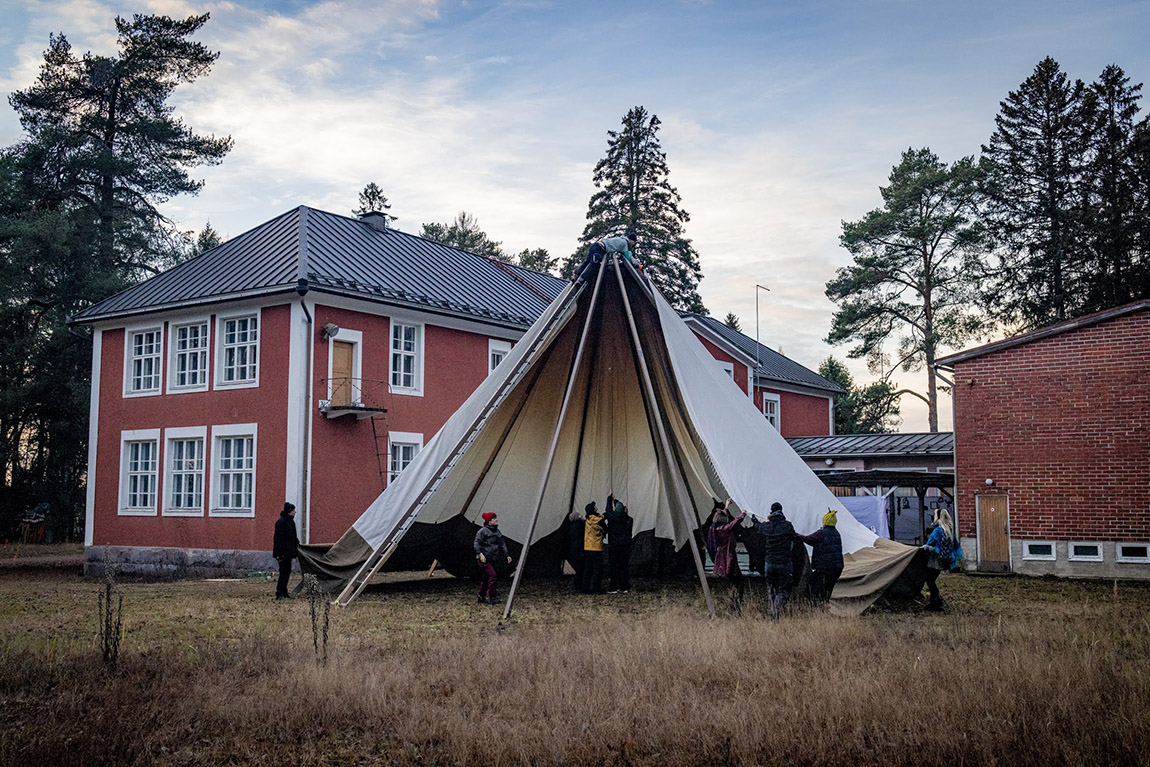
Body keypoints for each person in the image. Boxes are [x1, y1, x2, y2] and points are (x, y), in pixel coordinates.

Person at [797, 510, 844, 607]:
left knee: (812, 588)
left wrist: (796, 535)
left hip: (824, 568)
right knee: (827, 590)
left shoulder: (821, 533)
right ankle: (825, 606)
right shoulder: (837, 533)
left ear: (825, 521)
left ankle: (816, 609)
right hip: (837, 568)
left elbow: (808, 539)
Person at [709, 498, 746, 612]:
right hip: (727, 557)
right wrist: (743, 514)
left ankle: (734, 606)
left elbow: (723, 515)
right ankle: (735, 607)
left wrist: (726, 505)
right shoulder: (724, 529)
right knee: (738, 583)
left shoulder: (715, 528)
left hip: (722, 556)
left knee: (734, 583)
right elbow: (734, 522)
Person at [762, 502, 797, 616]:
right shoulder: (787, 525)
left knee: (772, 589)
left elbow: (758, 527)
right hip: (784, 562)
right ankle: (775, 612)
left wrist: (753, 518)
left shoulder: (767, 526)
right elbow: (794, 537)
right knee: (784, 589)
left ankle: (773, 612)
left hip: (769, 562)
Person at [922, 508, 958, 611]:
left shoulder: (937, 530)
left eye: (935, 515)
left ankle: (935, 601)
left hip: (935, 560)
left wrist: (926, 548)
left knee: (930, 580)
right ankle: (936, 600)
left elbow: (930, 544)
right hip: (943, 560)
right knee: (932, 580)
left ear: (937, 517)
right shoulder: (948, 530)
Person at [473, 512, 512, 605]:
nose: (496, 520)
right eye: (494, 518)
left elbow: (502, 544)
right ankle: (492, 596)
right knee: (493, 575)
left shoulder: (497, 532)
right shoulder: (482, 531)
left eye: (495, 518)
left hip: (492, 558)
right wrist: (480, 554)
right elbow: (476, 543)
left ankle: (481, 596)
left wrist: (507, 555)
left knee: (487, 577)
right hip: (483, 559)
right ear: (489, 521)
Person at [573, 231, 638, 283]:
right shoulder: (625, 243)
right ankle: (581, 279)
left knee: (587, 262)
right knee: (595, 265)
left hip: (596, 246)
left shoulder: (620, 239)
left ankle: (577, 274)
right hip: (599, 249)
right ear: (631, 240)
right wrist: (636, 263)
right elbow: (628, 256)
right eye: (634, 242)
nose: (633, 244)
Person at [605, 493, 633, 593]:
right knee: (623, 567)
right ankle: (623, 587)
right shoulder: (628, 520)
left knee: (614, 567)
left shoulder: (612, 518)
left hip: (613, 546)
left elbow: (608, 510)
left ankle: (614, 587)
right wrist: (616, 502)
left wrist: (610, 498)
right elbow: (621, 512)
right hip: (624, 547)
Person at [273, 502, 299, 600]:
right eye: (293, 510)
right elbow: (278, 540)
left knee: (286, 572)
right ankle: (279, 593)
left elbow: (293, 537)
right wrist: (279, 554)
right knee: (284, 572)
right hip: (282, 553)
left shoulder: (290, 522)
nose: (295, 512)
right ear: (289, 512)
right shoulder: (281, 522)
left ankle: (284, 592)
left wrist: (297, 545)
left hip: (288, 553)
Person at [582, 500, 607, 594]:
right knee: (597, 569)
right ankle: (596, 588)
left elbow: (601, 516)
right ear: (593, 510)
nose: (596, 507)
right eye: (595, 507)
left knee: (588, 568)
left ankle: (585, 587)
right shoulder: (598, 521)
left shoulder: (588, 519)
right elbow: (605, 526)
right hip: (596, 548)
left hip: (587, 547)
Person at [566, 507, 586, 592]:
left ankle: (577, 584)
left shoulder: (571, 527)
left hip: (574, 550)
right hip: (580, 550)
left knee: (579, 568)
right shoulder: (579, 525)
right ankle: (578, 585)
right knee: (581, 569)